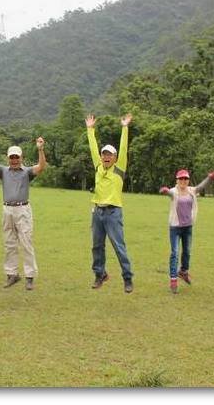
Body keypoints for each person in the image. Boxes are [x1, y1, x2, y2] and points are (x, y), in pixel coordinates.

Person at [0, 129, 47, 290]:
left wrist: (41, 150)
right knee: (9, 243)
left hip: (22, 209)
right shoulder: (3, 171)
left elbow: (41, 167)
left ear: (21, 158)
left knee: (26, 242)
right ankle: (12, 274)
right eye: (12, 157)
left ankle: (29, 276)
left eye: (17, 157)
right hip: (8, 210)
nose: (14, 160)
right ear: (8, 158)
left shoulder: (27, 172)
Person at [86, 113, 135, 293]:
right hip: (98, 212)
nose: (106, 157)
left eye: (109, 155)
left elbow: (123, 148)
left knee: (119, 246)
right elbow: (92, 148)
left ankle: (127, 278)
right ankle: (100, 275)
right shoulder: (98, 167)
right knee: (97, 246)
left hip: (113, 213)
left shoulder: (119, 168)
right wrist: (90, 130)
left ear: (114, 157)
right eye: (104, 154)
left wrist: (124, 127)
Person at [159, 169, 214, 293]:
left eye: (185, 179)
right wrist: (165, 191)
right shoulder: (174, 192)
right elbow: (169, 193)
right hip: (175, 227)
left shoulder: (191, 191)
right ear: (177, 180)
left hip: (188, 227)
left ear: (188, 180)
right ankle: (173, 280)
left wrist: (210, 178)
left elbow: (201, 186)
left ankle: (183, 272)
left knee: (187, 252)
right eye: (181, 179)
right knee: (174, 252)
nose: (183, 181)